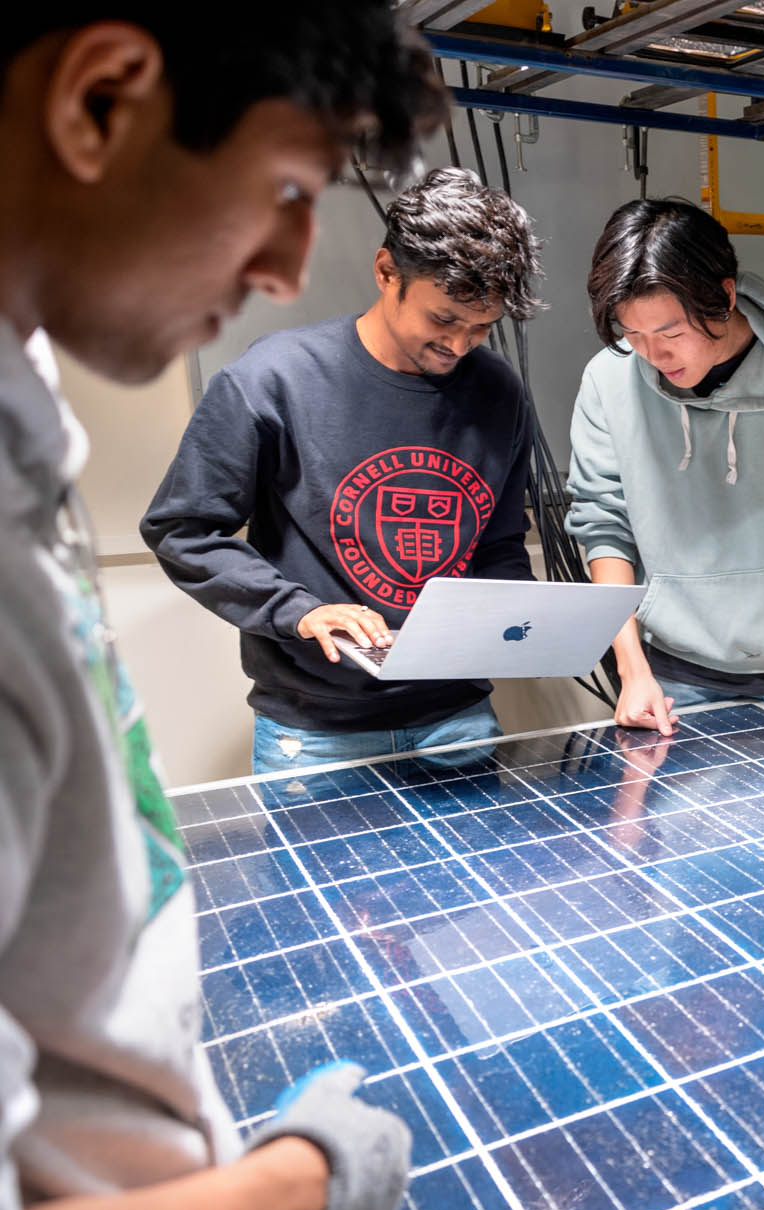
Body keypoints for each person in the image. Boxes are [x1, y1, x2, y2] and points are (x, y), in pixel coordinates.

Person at [0, 4, 438, 1210]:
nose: (289, 265)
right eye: (290, 186)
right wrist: (298, 1188)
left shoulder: (27, 428)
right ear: (102, 102)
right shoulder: (268, 386)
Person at [141, 167, 543, 774]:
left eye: (481, 328)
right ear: (387, 273)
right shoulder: (272, 380)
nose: (460, 346)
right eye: (442, 320)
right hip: (319, 731)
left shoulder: (498, 390)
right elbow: (182, 529)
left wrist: (514, 613)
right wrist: (296, 609)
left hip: (456, 720)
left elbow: (499, 543)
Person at [565, 199, 764, 745]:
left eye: (670, 333)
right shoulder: (607, 379)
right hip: (671, 673)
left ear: (723, 296)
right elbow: (604, 525)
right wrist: (632, 670)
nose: (653, 354)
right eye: (634, 335)